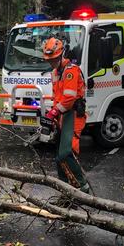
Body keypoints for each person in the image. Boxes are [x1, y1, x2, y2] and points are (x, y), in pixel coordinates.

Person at [41, 35, 88, 191]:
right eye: (49, 60)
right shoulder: (55, 73)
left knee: (67, 154)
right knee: (58, 159)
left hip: (74, 115)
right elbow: (58, 98)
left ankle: (82, 187)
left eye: (53, 59)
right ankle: (65, 191)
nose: (51, 62)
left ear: (61, 55)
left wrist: (54, 112)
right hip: (63, 116)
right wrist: (52, 115)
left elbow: (69, 98)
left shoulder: (71, 71)